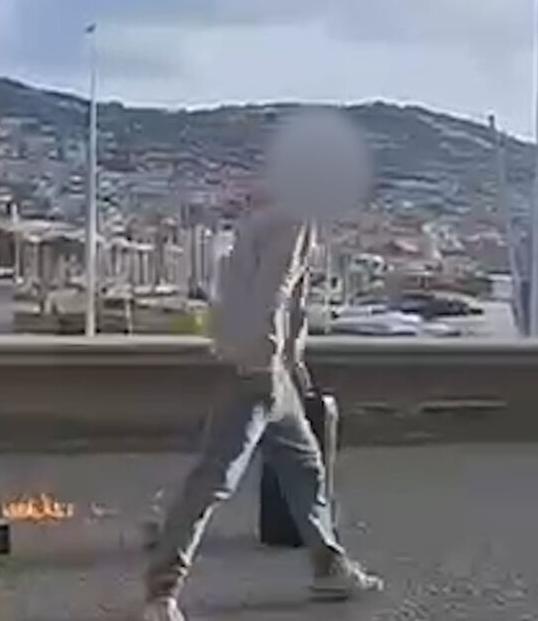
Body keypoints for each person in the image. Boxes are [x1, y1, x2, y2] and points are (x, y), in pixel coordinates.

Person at [138, 191, 383, 621]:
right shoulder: (295, 222)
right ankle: (161, 592)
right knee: (216, 478)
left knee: (304, 468)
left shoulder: (263, 221)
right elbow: (272, 297)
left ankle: (329, 567)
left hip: (263, 367)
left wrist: (290, 365)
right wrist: (267, 364)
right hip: (258, 370)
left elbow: (241, 295)